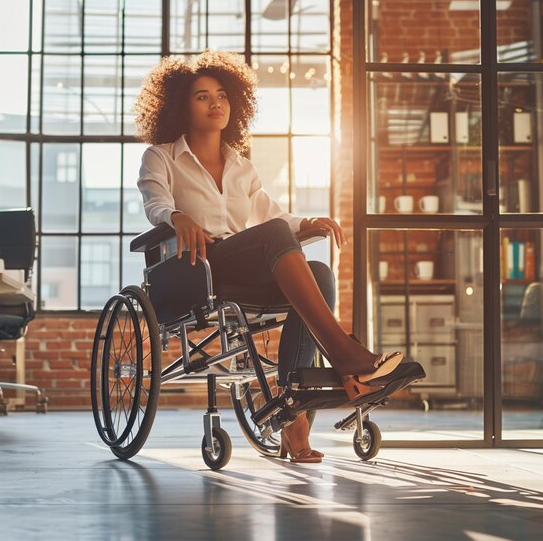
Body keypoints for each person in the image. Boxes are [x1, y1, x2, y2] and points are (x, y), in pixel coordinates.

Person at [135, 50, 403, 464]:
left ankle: (294, 423)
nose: (215, 103)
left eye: (222, 95)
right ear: (180, 106)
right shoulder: (162, 156)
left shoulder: (242, 167)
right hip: (199, 266)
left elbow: (272, 215)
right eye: (202, 96)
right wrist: (176, 215)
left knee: (319, 271)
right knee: (278, 238)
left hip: (245, 264)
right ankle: (345, 355)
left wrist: (308, 222)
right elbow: (155, 201)